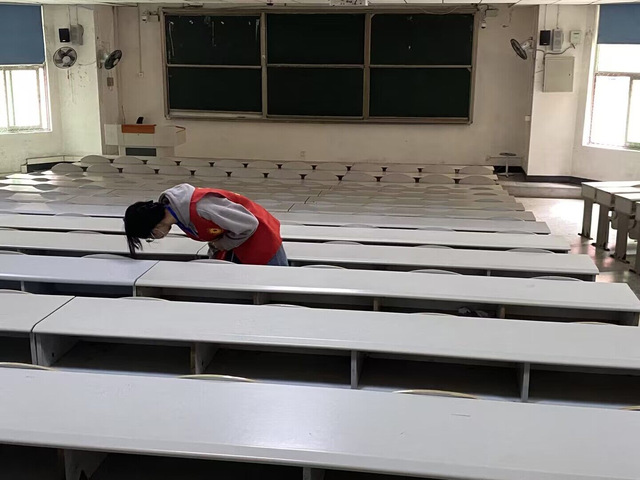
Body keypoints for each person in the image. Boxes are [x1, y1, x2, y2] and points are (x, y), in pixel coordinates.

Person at [124, 183, 288, 266]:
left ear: (154, 228)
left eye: (151, 236)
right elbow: (214, 233)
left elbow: (250, 224)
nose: (155, 238)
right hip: (238, 243)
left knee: (275, 290)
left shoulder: (201, 207)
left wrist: (222, 244)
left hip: (261, 240)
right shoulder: (177, 215)